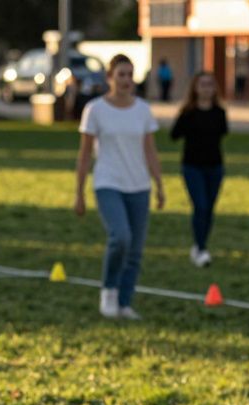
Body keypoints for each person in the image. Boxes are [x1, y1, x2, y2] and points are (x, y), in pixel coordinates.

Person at [74, 54, 165, 319]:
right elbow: (84, 155)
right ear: (109, 78)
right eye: (121, 74)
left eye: (130, 74)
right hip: (108, 183)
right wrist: (79, 193)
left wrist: (159, 184)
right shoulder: (95, 110)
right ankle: (109, 291)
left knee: (135, 250)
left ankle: (125, 303)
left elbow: (150, 151)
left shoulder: (143, 110)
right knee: (120, 237)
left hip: (139, 185)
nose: (126, 80)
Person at [171, 71, 229, 267]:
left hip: (214, 166)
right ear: (195, 88)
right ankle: (201, 248)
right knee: (200, 206)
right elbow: (174, 135)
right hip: (192, 166)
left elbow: (222, 134)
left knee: (210, 209)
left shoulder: (219, 113)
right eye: (202, 85)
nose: (206, 89)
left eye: (210, 85)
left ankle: (200, 245)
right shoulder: (188, 113)